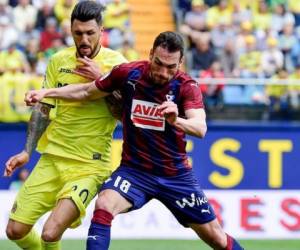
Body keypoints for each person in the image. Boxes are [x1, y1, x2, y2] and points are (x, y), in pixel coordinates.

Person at [25, 31, 244, 250]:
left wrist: (176, 120)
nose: (163, 72)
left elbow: (200, 127)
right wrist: (47, 92)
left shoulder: (186, 86)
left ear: (181, 62)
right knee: (104, 204)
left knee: (216, 238)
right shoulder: (128, 73)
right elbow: (85, 92)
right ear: (150, 55)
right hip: (135, 172)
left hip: (175, 176)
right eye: (159, 63)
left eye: (171, 66)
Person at [4, 1, 127, 250]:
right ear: (70, 30)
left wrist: (102, 80)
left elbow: (125, 113)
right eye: (78, 33)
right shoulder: (58, 61)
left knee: (50, 233)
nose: (83, 39)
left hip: (89, 165)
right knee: (15, 231)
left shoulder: (117, 64)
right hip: (52, 158)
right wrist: (27, 150)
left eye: (90, 33)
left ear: (101, 31)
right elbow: (43, 109)